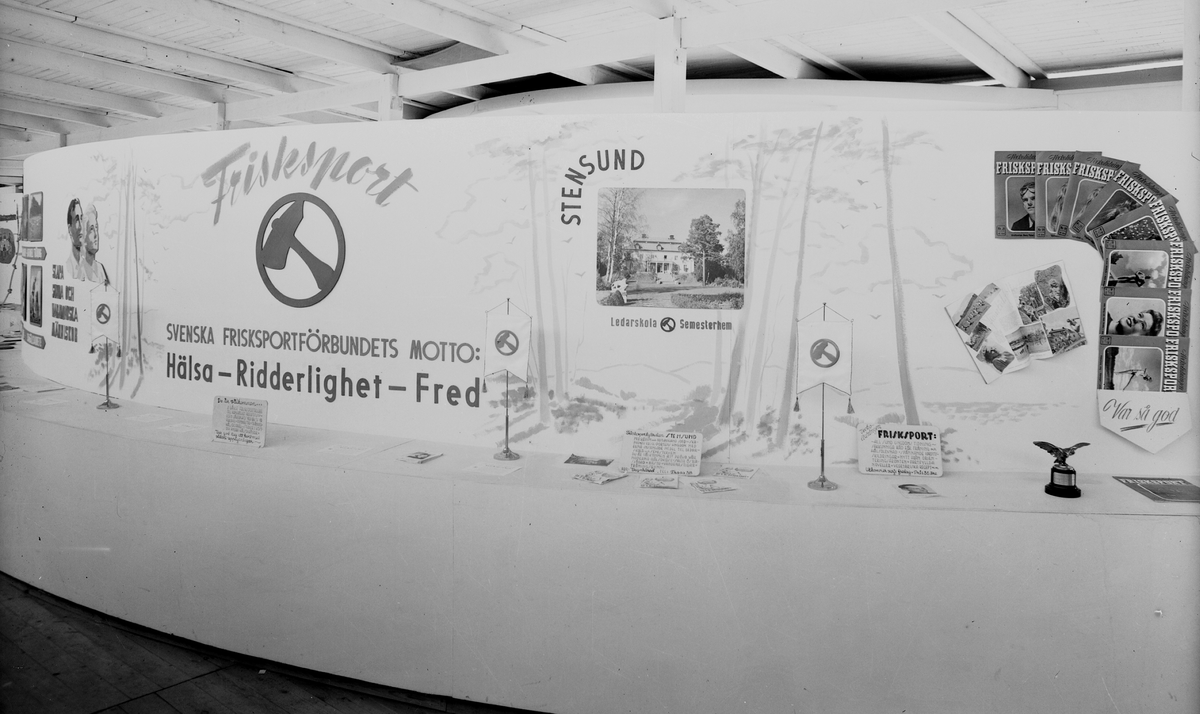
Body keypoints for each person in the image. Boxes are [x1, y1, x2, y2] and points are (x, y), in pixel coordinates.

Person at [79, 204, 109, 285]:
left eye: (96, 228)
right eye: (91, 229)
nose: (96, 235)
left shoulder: (100, 269)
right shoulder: (80, 269)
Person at [66, 198, 84, 279]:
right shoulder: (68, 266)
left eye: (81, 219)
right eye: (77, 220)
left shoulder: (87, 267)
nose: (81, 226)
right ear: (69, 229)